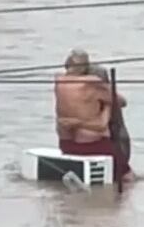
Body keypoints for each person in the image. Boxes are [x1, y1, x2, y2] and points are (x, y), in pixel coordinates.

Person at [54, 49, 129, 182]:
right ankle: (122, 201)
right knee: (128, 177)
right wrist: (106, 104)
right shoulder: (92, 82)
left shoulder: (58, 81)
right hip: (93, 145)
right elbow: (122, 102)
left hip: (66, 145)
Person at [88, 63, 133, 179]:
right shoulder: (105, 95)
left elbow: (122, 102)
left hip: (117, 138)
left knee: (121, 175)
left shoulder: (105, 95)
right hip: (114, 137)